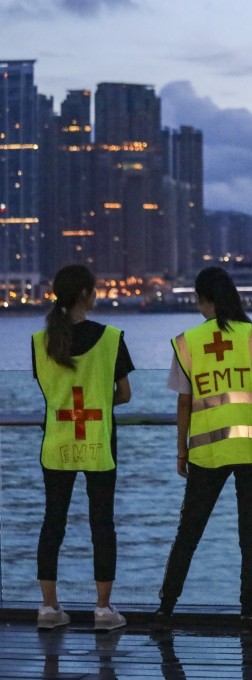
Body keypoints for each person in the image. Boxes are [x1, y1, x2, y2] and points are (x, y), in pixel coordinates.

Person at [154, 267, 252, 629]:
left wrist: (181, 450)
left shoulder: (187, 342)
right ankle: (248, 611)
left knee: (189, 532)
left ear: (201, 299)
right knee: (251, 532)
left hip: (206, 451)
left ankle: (165, 609)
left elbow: (184, 402)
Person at [31, 264, 134, 631]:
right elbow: (124, 394)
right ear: (86, 295)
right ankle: (104, 611)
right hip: (98, 444)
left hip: (56, 444)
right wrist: (99, 403)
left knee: (52, 523)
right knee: (102, 525)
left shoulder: (38, 342)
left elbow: (47, 393)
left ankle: (48, 608)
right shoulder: (111, 338)